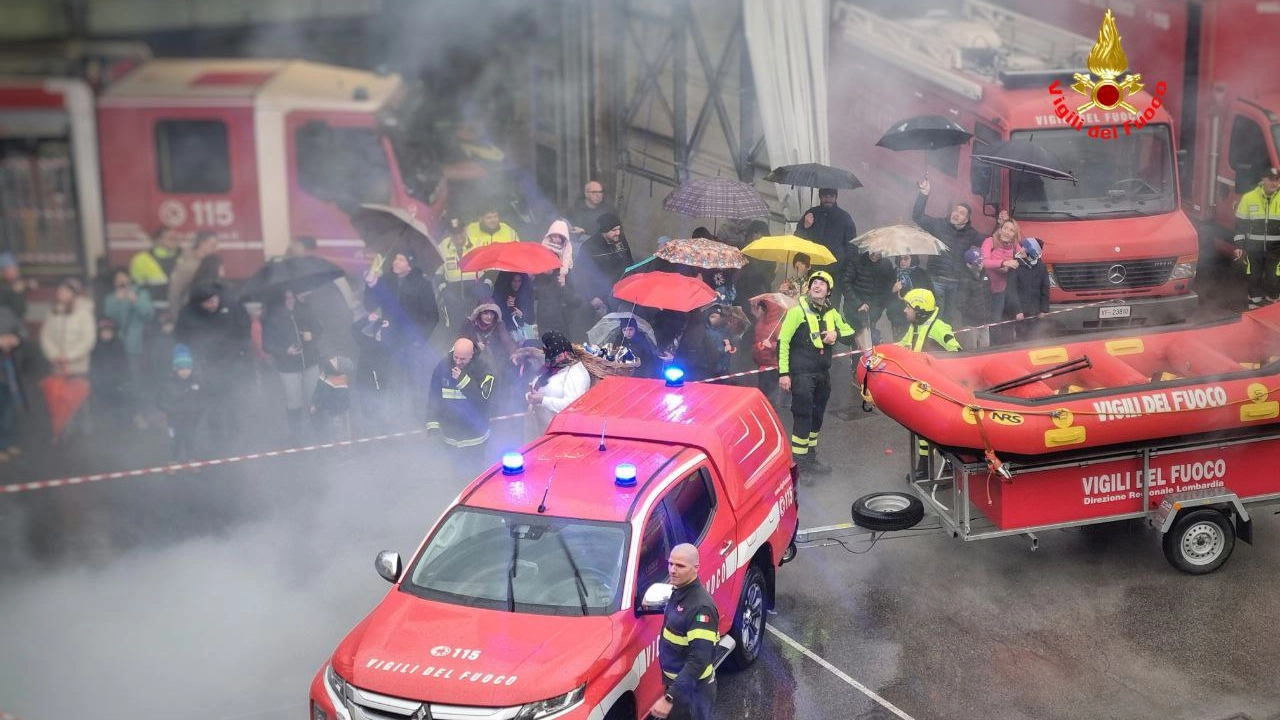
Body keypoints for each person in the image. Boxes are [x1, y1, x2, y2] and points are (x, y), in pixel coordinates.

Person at [777, 271, 855, 475]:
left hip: (822, 374)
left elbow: (849, 335)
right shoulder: (797, 311)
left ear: (828, 292)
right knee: (803, 417)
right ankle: (800, 466)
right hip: (802, 374)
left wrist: (835, 334)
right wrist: (783, 373)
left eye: (822, 284)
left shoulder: (832, 313)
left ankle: (811, 459)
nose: (817, 286)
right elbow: (783, 341)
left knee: (817, 417)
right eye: (814, 283)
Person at [174, 282, 251, 445]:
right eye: (207, 302)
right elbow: (180, 339)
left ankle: (234, 430)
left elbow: (244, 327)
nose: (212, 304)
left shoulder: (231, 305)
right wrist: (187, 362)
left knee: (231, 397)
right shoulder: (188, 314)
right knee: (211, 399)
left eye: (213, 300)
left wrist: (242, 351)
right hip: (205, 363)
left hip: (231, 360)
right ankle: (216, 433)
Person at [649, 543, 718, 720]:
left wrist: (670, 696)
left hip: (694, 693)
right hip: (682, 689)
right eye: (671, 563)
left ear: (696, 568)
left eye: (680, 566)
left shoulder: (701, 608)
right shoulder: (679, 591)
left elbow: (698, 660)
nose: (672, 570)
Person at [895, 288, 960, 480]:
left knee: (934, 432)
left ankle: (941, 467)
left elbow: (956, 351)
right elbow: (904, 345)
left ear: (920, 309)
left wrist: (937, 367)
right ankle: (926, 468)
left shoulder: (938, 328)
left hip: (937, 391)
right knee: (923, 432)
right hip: (923, 389)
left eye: (908, 307)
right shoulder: (916, 326)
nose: (905, 310)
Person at [912, 179, 986, 323]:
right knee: (936, 315)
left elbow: (989, 240)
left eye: (962, 213)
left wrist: (1000, 226)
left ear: (967, 219)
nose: (956, 214)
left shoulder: (971, 233)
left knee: (949, 318)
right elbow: (918, 216)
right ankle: (932, 343)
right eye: (955, 210)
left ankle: (943, 344)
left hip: (956, 282)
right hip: (936, 279)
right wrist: (924, 194)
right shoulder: (938, 225)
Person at [39, 278, 96, 444]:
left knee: (80, 399)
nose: (60, 294)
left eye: (65, 291)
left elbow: (87, 340)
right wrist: (54, 354)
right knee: (59, 399)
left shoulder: (84, 313)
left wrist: (69, 355)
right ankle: (63, 431)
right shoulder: (53, 312)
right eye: (59, 291)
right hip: (57, 366)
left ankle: (85, 433)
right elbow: (45, 337)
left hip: (78, 366)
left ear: (74, 294)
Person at [261, 290, 323, 440]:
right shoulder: (272, 317)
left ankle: (319, 430)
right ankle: (296, 434)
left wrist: (311, 336)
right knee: (294, 400)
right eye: (286, 297)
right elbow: (267, 345)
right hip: (288, 366)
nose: (290, 300)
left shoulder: (304, 309)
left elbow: (319, 329)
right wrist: (285, 351)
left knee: (313, 398)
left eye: (292, 297)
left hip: (310, 361)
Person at [102, 268, 156, 428]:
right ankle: (121, 415)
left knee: (136, 381)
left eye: (123, 277)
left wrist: (135, 300)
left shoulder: (141, 294)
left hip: (135, 345)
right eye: (117, 279)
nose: (121, 281)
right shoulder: (111, 298)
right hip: (117, 347)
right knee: (117, 380)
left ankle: (139, 414)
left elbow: (148, 313)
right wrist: (118, 303)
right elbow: (109, 319)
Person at [425, 337, 495, 450]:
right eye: (456, 357)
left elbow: (483, 401)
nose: (458, 362)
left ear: (472, 355)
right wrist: (432, 423)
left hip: (474, 440)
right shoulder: (443, 366)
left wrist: (463, 381)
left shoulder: (483, 369)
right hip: (449, 438)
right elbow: (434, 396)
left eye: (463, 359)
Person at [796, 188, 857, 310]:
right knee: (808, 307)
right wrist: (805, 227)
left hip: (836, 274)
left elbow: (852, 247)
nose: (828, 198)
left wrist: (847, 271)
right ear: (820, 196)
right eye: (825, 195)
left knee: (830, 309)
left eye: (831, 195)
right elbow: (798, 241)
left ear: (836, 197)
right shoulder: (811, 214)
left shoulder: (845, 218)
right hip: (812, 272)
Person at [574, 213, 634, 321]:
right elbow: (580, 275)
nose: (618, 233)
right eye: (614, 230)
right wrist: (591, 297)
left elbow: (630, 263)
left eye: (619, 229)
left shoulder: (621, 241)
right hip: (600, 297)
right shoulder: (589, 247)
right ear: (604, 231)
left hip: (620, 292)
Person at [1234, 165, 1280, 305]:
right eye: (1271, 179)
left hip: (1276, 250)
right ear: (1263, 180)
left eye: (1277, 180)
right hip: (1254, 249)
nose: (1274, 183)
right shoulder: (1249, 198)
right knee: (1254, 278)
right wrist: (1239, 246)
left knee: (1274, 279)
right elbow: (1240, 225)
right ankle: (1254, 306)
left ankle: (1273, 304)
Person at [526, 331, 590, 430]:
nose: (554, 359)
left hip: (563, 433)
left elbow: (572, 407)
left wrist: (543, 400)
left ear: (565, 353)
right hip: (540, 430)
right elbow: (539, 390)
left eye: (558, 356)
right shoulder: (549, 369)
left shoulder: (576, 372)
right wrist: (530, 396)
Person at [437, 215, 488, 330]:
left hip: (475, 293)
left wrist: (485, 286)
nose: (458, 236)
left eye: (460, 232)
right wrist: (444, 290)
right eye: (454, 233)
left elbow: (489, 271)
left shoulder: (478, 244)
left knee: (477, 328)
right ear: (449, 233)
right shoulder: (442, 247)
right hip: (453, 297)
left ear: (465, 230)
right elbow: (437, 273)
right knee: (455, 329)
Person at [157, 344, 206, 461]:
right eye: (181, 368)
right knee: (175, 441)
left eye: (187, 368)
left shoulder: (196, 383)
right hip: (174, 421)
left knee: (191, 440)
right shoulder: (168, 384)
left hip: (191, 419)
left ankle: (191, 458)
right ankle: (174, 460)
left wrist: (198, 411)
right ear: (176, 369)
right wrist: (171, 410)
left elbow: (202, 399)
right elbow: (160, 401)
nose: (185, 371)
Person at [981, 216, 1023, 345]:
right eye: (1005, 228)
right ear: (1000, 229)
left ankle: (996, 346)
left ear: (1014, 234)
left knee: (997, 319)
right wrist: (1003, 263)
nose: (1007, 232)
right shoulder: (990, 241)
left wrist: (1021, 259)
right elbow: (985, 262)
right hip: (985, 287)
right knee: (983, 318)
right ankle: (984, 346)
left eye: (1011, 230)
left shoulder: (1015, 246)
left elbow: (1023, 259)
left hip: (1001, 288)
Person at [842, 248, 896, 346]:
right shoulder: (856, 261)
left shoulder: (886, 265)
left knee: (869, 342)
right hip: (854, 309)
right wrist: (858, 304)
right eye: (872, 251)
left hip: (873, 311)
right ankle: (856, 359)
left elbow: (885, 290)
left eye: (878, 252)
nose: (874, 254)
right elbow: (845, 284)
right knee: (858, 341)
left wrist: (878, 309)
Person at [129, 227, 182, 315]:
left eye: (176, 238)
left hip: (178, 309)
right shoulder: (141, 259)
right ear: (158, 240)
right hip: (151, 310)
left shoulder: (185, 257)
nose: (174, 241)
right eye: (170, 238)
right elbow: (135, 287)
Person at [680, 305, 735, 381]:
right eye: (713, 317)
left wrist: (731, 347)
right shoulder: (703, 331)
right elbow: (705, 351)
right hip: (707, 370)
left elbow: (731, 345)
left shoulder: (725, 330)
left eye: (718, 317)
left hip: (723, 369)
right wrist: (722, 349)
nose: (716, 319)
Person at [167, 232, 219, 313]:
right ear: (202, 244)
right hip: (191, 313)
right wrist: (177, 319)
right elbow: (175, 294)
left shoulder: (212, 263)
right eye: (213, 245)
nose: (216, 249)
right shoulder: (188, 266)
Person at [0, 301, 25, 461]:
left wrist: (16, 339)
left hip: (7, 369)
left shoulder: (6, 311)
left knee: (7, 408)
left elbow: (23, 331)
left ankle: (6, 443)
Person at [886, 255, 933, 340]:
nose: (902, 262)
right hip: (897, 315)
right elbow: (884, 295)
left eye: (906, 259)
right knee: (899, 343)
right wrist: (893, 290)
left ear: (913, 259)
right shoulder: (893, 273)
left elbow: (929, 292)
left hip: (916, 315)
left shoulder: (921, 273)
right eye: (900, 259)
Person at [1012, 238, 1050, 341]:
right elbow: (1012, 290)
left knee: (1035, 338)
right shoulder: (1016, 265)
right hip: (1021, 314)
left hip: (1036, 312)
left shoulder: (1041, 267)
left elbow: (1045, 288)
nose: (1022, 249)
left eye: (1025, 247)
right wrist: (1017, 310)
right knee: (1021, 339)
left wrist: (1044, 309)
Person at [311, 355, 354, 442]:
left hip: (336, 412)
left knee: (338, 431)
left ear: (339, 369)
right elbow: (318, 389)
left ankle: (342, 450)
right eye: (333, 359)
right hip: (325, 409)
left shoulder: (340, 382)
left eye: (334, 361)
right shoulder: (325, 374)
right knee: (327, 429)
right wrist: (314, 403)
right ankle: (328, 443)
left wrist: (333, 413)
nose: (330, 360)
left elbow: (340, 403)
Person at [955, 247, 991, 350]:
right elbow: (960, 304)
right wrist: (974, 316)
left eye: (981, 260)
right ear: (968, 264)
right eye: (977, 262)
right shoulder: (964, 280)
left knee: (986, 348)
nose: (980, 264)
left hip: (985, 321)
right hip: (971, 324)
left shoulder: (986, 276)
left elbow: (989, 297)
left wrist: (988, 314)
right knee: (971, 350)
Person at [733, 220, 775, 309]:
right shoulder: (743, 250)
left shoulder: (770, 254)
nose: (758, 236)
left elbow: (770, 276)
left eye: (761, 233)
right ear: (751, 234)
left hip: (761, 292)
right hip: (743, 291)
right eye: (755, 233)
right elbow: (738, 272)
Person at [567, 180, 618, 247]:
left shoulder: (609, 211)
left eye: (600, 192)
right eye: (594, 192)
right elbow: (568, 234)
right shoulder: (575, 211)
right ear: (586, 194)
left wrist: (585, 233)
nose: (598, 195)